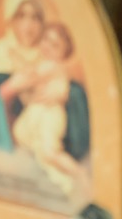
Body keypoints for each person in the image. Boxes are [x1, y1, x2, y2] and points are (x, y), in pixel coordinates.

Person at [0, 0, 90, 161]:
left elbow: (77, 97)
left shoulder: (50, 55)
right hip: (11, 154)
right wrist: (10, 88)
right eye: (21, 16)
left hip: (46, 145)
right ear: (10, 19)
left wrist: (65, 95)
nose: (28, 25)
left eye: (35, 17)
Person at [11, 22, 80, 194]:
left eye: (55, 45)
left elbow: (32, 76)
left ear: (64, 53)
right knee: (40, 152)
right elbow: (29, 95)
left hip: (50, 115)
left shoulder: (53, 65)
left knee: (50, 152)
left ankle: (80, 174)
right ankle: (64, 182)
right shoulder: (44, 63)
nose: (48, 46)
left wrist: (16, 59)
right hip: (38, 114)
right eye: (46, 40)